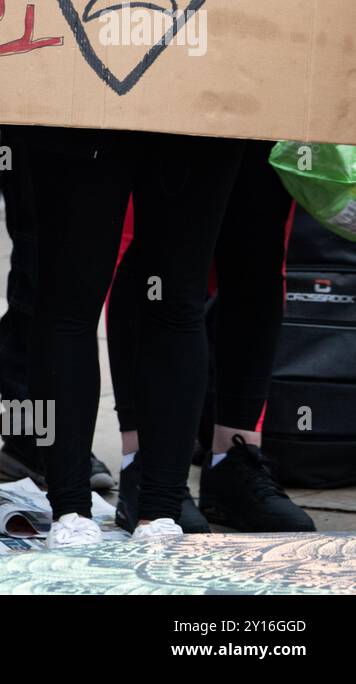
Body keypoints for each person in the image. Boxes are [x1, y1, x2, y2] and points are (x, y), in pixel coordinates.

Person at [109, 143, 315, 532]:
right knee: (161, 253)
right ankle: (144, 460)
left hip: (267, 92)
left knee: (260, 246)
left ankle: (233, 459)